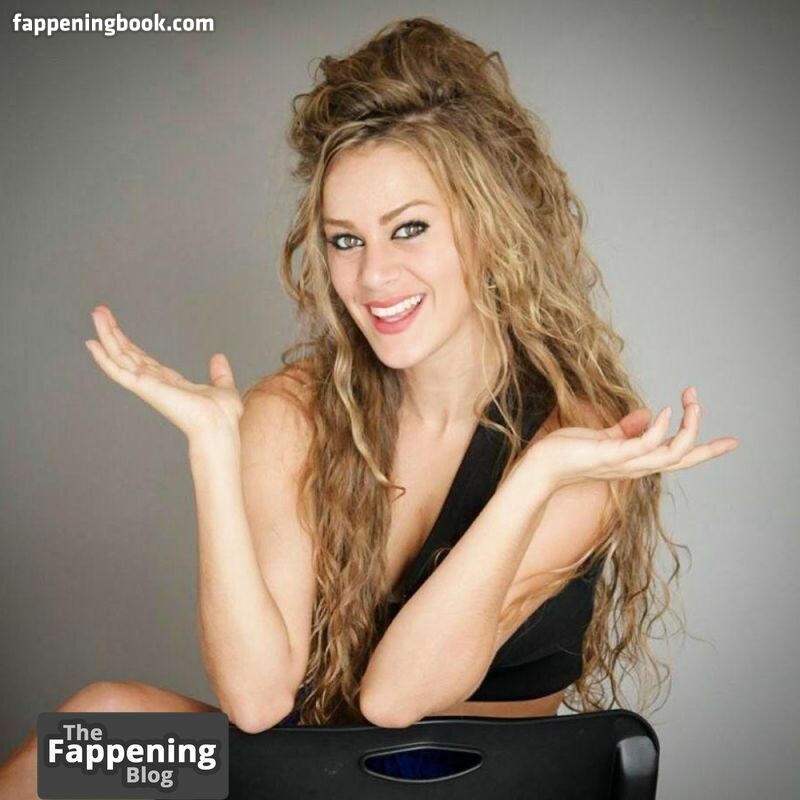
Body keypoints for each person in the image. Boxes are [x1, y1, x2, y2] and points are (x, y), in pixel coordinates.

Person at [0, 16, 739, 793]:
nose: (374, 277)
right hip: (309, 777)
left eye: (408, 229)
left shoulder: (577, 442)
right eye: (345, 240)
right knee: (90, 730)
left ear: (487, 233)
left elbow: (395, 699)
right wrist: (213, 451)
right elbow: (255, 700)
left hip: (480, 787)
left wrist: (534, 479)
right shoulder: (293, 412)